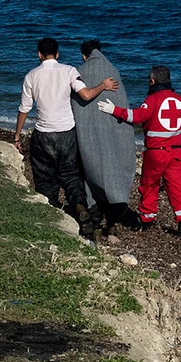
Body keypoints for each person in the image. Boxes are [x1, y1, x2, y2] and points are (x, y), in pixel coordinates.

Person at [14, 37, 119, 239]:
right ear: (58, 54)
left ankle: (52, 222)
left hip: (43, 135)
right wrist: (103, 86)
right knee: (71, 177)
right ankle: (80, 208)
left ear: (39, 54)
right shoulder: (69, 70)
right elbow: (87, 95)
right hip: (66, 134)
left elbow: (24, 109)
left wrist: (17, 136)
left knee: (45, 180)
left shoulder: (31, 76)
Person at [98, 65, 181, 238]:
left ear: (152, 81)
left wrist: (114, 110)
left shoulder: (152, 99)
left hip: (156, 152)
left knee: (149, 185)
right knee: (176, 187)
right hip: (176, 153)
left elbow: (137, 116)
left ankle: (147, 219)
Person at [71, 40, 138, 233]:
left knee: (89, 166)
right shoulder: (113, 71)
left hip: (87, 131)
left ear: (84, 55)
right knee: (112, 165)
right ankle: (112, 216)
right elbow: (121, 101)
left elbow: (77, 102)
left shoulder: (80, 72)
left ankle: (94, 212)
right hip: (111, 129)